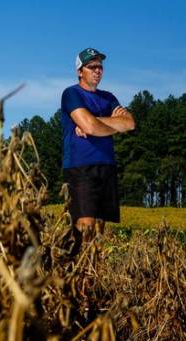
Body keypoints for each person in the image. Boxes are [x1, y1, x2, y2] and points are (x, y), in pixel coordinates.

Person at [61, 48, 135, 255]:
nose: (97, 70)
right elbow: (91, 127)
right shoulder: (71, 94)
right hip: (80, 167)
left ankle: (96, 278)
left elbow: (129, 123)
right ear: (79, 71)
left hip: (107, 165)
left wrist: (94, 122)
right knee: (85, 227)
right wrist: (112, 125)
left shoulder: (108, 97)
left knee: (100, 230)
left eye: (100, 67)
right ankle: (80, 281)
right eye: (91, 66)